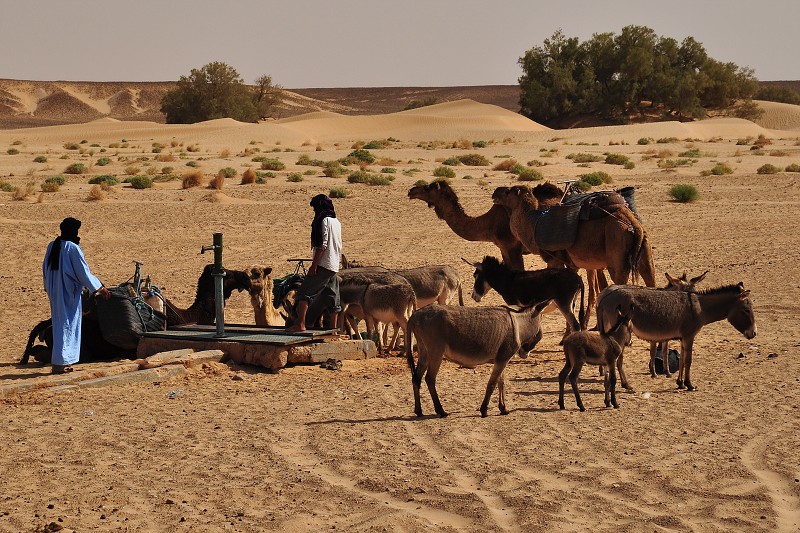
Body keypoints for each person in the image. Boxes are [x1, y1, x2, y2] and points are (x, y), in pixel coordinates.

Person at [42, 217, 110, 374]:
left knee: (60, 324)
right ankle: (60, 364)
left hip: (55, 291)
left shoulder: (52, 245)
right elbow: (83, 273)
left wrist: (48, 287)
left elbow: (45, 268)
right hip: (68, 292)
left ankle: (62, 362)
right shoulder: (72, 248)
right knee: (67, 324)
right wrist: (100, 288)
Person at [286, 194, 342, 332]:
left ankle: (300, 324)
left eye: (315, 208)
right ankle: (333, 329)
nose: (314, 211)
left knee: (304, 294)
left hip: (323, 264)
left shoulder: (323, 221)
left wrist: (314, 265)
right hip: (334, 265)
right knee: (332, 297)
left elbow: (322, 245)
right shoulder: (337, 222)